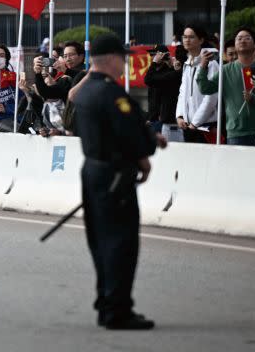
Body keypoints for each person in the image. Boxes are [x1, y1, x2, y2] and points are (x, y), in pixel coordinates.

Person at [72, 33, 166, 330]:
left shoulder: (84, 92)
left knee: (101, 242)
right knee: (120, 243)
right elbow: (130, 135)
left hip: (93, 170)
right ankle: (117, 310)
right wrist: (145, 152)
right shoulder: (111, 93)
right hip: (114, 174)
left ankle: (107, 301)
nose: (125, 63)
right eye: (123, 58)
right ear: (112, 59)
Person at [197, 28, 255, 146]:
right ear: (235, 44)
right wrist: (203, 67)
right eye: (239, 38)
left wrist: (254, 99)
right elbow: (205, 88)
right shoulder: (225, 70)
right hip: (235, 133)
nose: (242, 41)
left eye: (247, 38)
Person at [175, 25, 219, 143]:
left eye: (191, 37)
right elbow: (182, 93)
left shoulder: (211, 63)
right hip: (188, 126)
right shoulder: (187, 64)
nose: (187, 40)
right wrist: (179, 116)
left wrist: (195, 123)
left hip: (205, 127)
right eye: (184, 37)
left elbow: (211, 98)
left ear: (201, 40)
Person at [143, 45, 183, 143]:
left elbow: (148, 80)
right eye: (152, 55)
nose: (153, 57)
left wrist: (157, 63)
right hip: (153, 119)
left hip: (162, 120)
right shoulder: (154, 71)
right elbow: (152, 98)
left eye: (156, 55)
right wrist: (149, 117)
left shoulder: (168, 72)